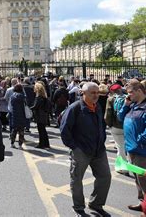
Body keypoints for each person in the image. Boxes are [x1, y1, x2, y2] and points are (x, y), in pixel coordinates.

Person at [60, 82, 111, 217]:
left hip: (99, 150)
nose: (96, 96)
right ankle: (78, 208)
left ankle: (96, 204)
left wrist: (102, 140)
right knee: (76, 179)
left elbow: (101, 125)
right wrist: (74, 147)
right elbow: (64, 130)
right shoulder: (75, 108)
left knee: (105, 177)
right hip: (81, 150)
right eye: (92, 93)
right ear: (83, 93)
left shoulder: (98, 106)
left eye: (97, 93)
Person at [118, 80, 146, 212]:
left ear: (139, 91)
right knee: (137, 178)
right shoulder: (132, 105)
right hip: (131, 148)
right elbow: (120, 117)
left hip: (142, 150)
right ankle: (142, 203)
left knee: (145, 180)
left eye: (130, 93)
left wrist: (139, 140)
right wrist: (125, 105)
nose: (128, 96)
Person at [104, 84, 128, 174]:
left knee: (120, 147)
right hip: (127, 125)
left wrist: (109, 125)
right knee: (125, 147)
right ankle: (121, 166)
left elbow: (108, 114)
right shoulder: (128, 98)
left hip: (116, 126)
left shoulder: (111, 99)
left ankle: (124, 168)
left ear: (112, 91)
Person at [31, 82, 50, 149]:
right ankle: (46, 144)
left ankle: (41, 144)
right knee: (43, 130)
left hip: (39, 115)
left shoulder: (38, 97)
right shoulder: (44, 97)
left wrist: (29, 108)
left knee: (41, 130)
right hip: (44, 115)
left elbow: (35, 106)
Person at [9, 84, 26, 149]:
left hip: (14, 114)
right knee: (21, 131)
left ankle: (12, 143)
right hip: (21, 114)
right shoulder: (22, 96)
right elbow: (25, 105)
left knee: (14, 130)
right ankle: (20, 145)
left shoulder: (12, 96)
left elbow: (10, 106)